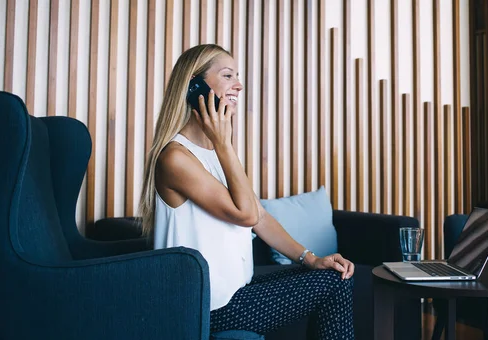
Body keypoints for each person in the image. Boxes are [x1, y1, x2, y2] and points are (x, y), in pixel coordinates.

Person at [138, 44, 355, 339]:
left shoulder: (213, 152)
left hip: (235, 294)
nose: (238, 85)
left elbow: (260, 218)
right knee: (333, 284)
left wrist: (312, 259)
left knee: (332, 274)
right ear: (195, 87)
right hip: (203, 307)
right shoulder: (175, 158)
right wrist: (225, 143)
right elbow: (247, 214)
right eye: (228, 75)